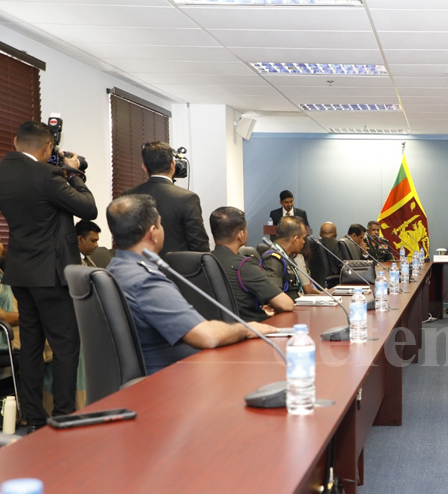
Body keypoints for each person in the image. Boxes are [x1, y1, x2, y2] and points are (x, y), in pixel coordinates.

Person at [106, 195, 276, 374]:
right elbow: (207, 336)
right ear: (153, 232)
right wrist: (246, 329)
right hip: (173, 379)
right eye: (161, 224)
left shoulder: (115, 268)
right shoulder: (146, 281)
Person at [0, 121, 96, 433]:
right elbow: (88, 209)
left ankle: (35, 418)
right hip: (52, 274)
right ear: (46, 149)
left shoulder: (4, 172)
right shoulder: (49, 175)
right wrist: (75, 172)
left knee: (30, 347)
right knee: (66, 346)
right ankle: (64, 415)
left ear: (15, 141)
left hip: (21, 272)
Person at [124, 141, 209, 257]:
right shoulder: (187, 198)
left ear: (144, 167)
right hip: (176, 271)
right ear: (173, 165)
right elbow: (199, 245)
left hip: (137, 268)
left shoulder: (128, 195)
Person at [209, 207, 294, 322]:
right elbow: (286, 304)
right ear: (240, 234)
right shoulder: (245, 266)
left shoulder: (203, 262)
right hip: (252, 330)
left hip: (216, 330)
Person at [262, 216, 317, 299]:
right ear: (295, 240)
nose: (304, 242)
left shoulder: (288, 257)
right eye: (302, 238)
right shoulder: (273, 259)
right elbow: (275, 297)